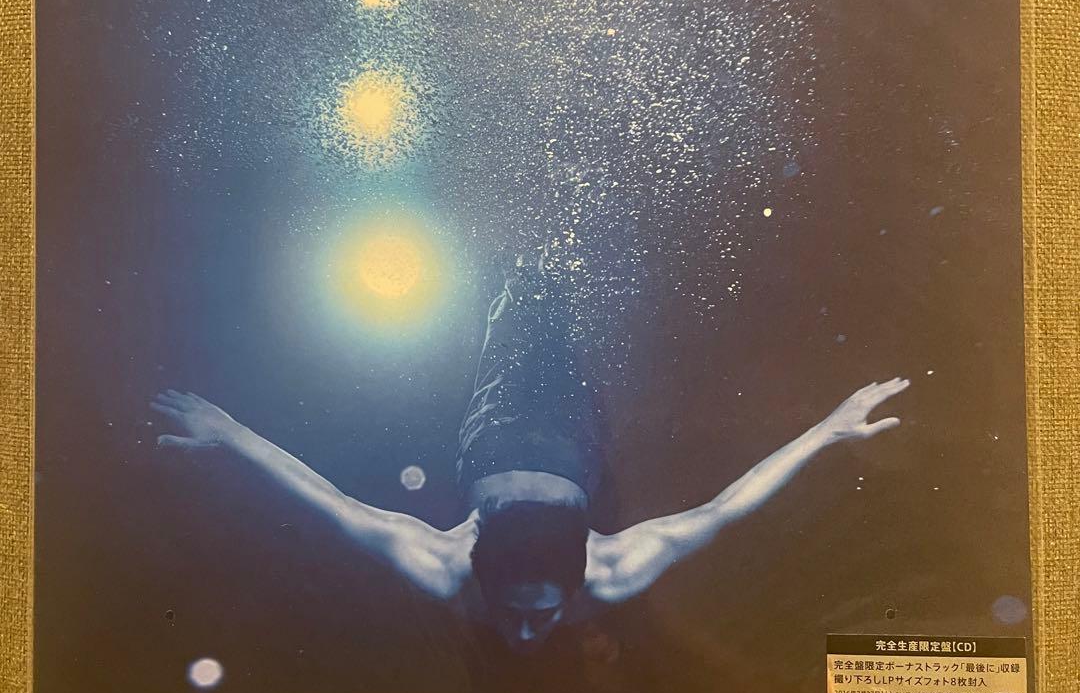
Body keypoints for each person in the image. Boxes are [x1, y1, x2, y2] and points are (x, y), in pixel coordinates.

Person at [152, 254, 909, 653]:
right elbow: (723, 509)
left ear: (574, 581)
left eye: (539, 617)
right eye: (516, 613)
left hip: (496, 439)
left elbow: (334, 503)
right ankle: (522, 287)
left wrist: (829, 430)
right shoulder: (589, 571)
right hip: (561, 445)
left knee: (528, 337)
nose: (521, 632)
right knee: (537, 343)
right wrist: (228, 432)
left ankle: (525, 288)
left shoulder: (484, 570)